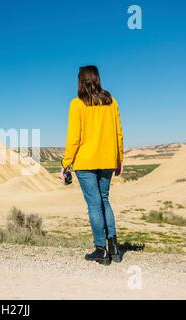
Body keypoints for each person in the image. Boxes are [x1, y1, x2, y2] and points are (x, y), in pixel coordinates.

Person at [60, 66, 124, 265]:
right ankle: (113, 246)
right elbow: (118, 133)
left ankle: (100, 250)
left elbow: (74, 137)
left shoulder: (77, 104)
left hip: (86, 162)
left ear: (81, 81)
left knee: (94, 205)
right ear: (97, 79)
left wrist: (66, 163)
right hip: (107, 160)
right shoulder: (111, 102)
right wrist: (119, 159)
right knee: (104, 200)